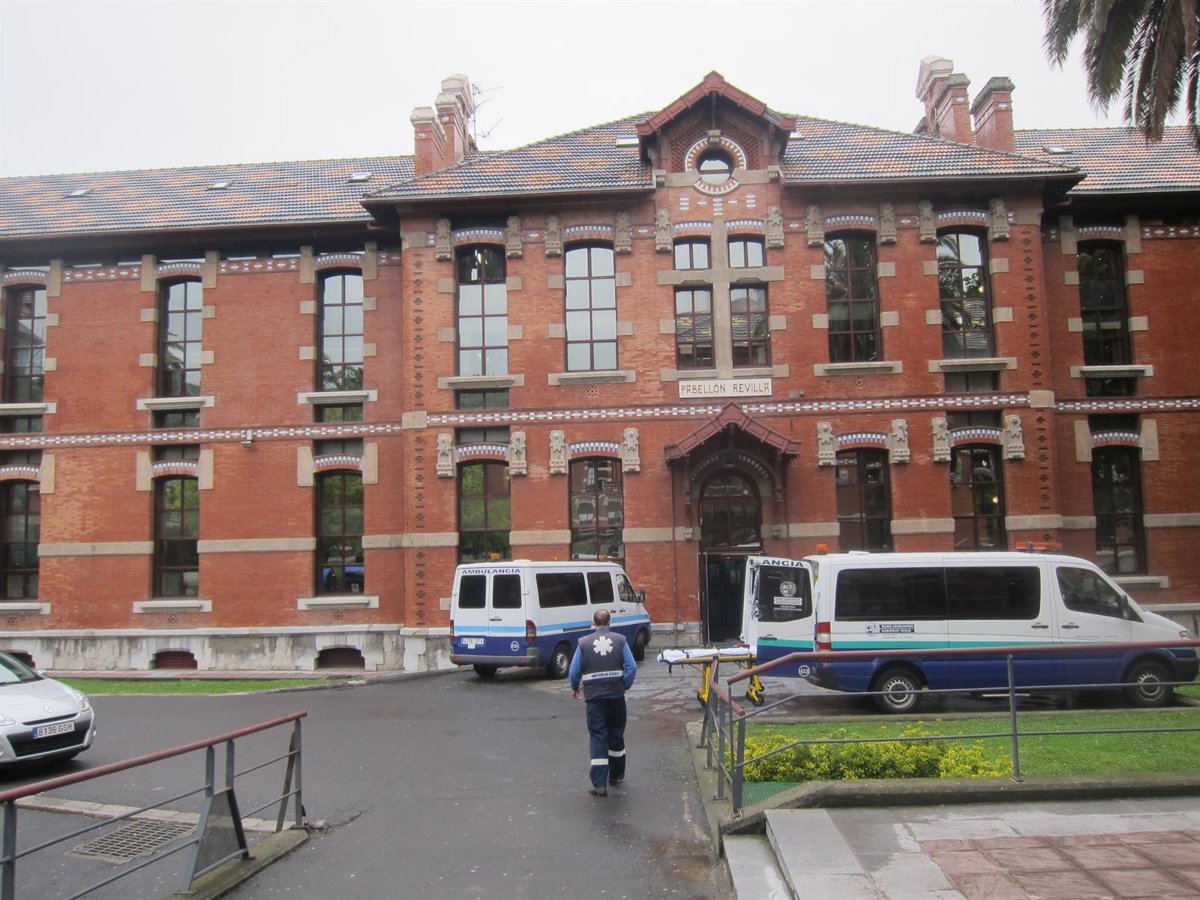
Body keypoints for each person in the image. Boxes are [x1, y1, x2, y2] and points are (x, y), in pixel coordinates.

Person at [569, 608, 637, 796]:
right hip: (616, 695)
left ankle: (599, 784)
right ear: (609, 623)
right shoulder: (620, 640)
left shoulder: (583, 643)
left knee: (598, 736)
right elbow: (631, 666)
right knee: (616, 733)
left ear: (593, 623)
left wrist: (575, 687)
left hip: (594, 697)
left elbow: (574, 671)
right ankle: (616, 774)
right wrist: (624, 685)